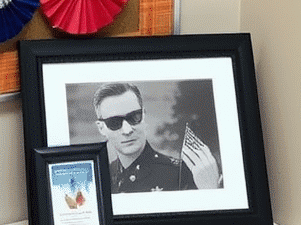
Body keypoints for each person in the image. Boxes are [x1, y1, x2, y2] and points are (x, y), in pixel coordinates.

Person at [93, 81, 221, 193]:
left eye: (134, 117)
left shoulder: (181, 174)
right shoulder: (99, 177)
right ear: (101, 128)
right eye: (114, 123)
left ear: (144, 115)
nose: (127, 130)